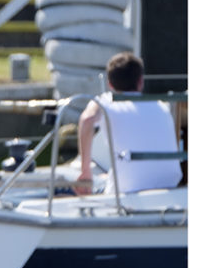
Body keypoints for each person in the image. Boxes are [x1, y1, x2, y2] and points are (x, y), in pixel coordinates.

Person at [76, 52, 182, 195]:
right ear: (140, 81)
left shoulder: (106, 102)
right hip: (170, 187)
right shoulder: (161, 106)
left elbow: (87, 120)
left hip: (127, 192)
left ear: (110, 84)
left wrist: (85, 171)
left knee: (65, 192)